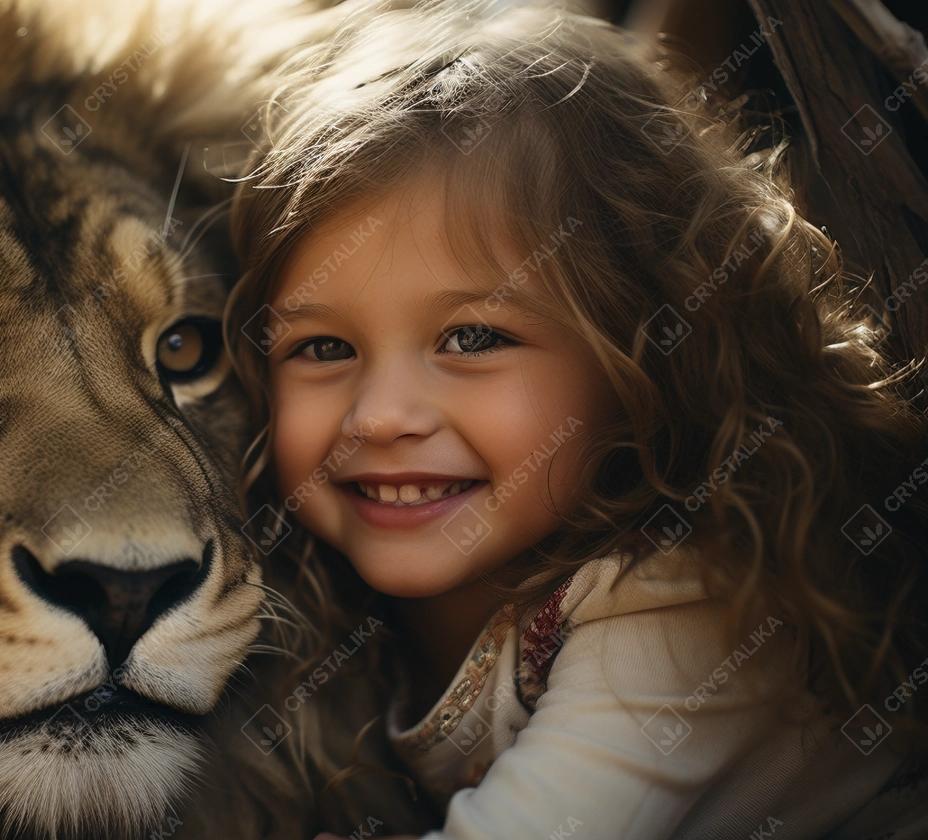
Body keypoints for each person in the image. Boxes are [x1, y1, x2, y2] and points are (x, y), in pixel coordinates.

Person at [223, 2, 928, 837]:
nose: (379, 417)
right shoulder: (331, 611)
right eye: (325, 346)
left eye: (473, 337)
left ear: (640, 355)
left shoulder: (686, 605)